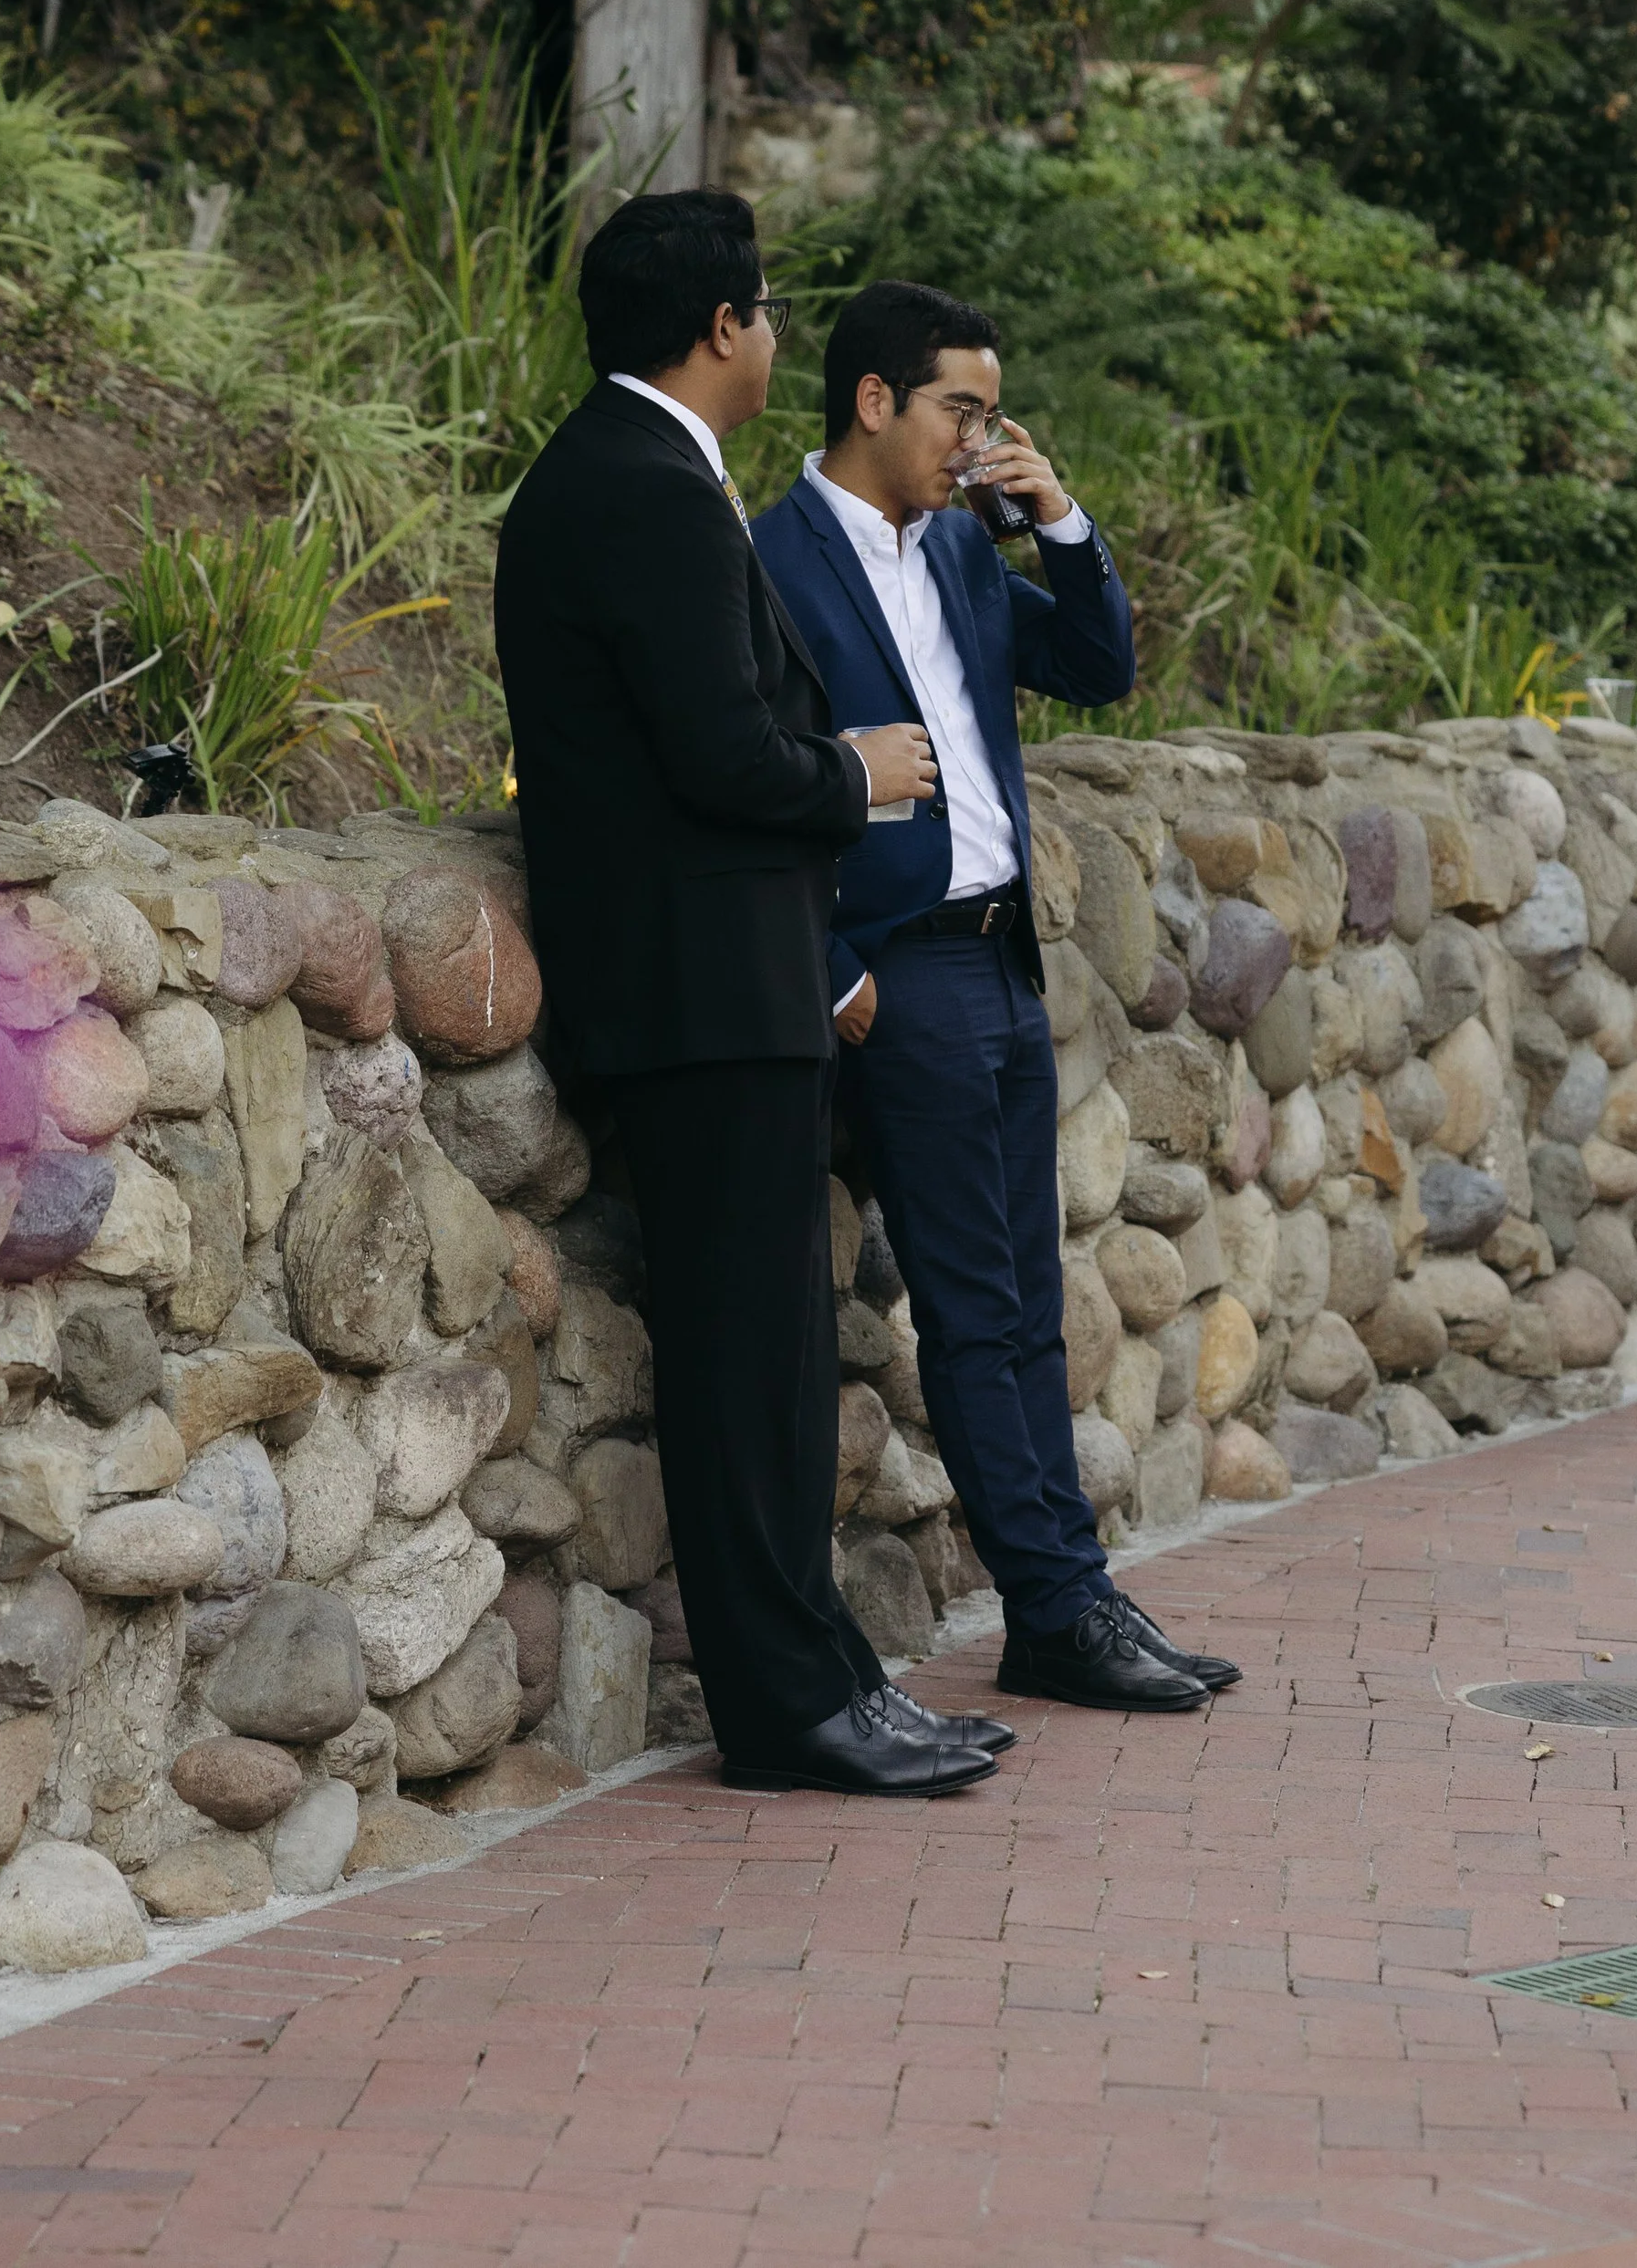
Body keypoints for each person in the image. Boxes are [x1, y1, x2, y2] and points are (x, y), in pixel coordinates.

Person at [494, 192, 1007, 1797]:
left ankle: (832, 1675)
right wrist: (845, 772)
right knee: (746, 1364)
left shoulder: (642, 471)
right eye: (768, 309)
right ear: (724, 329)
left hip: (730, 988)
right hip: (701, 994)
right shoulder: (637, 488)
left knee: (775, 1354)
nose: (777, 333)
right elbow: (713, 753)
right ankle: (792, 1711)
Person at [752, 278, 1240, 1711]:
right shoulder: (770, 562)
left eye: (990, 411)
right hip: (899, 978)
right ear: (874, 400)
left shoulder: (965, 553)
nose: (980, 436)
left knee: (1028, 1297)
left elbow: (1098, 664)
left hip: (1004, 958)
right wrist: (829, 966)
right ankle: (1054, 1604)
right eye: (962, 407)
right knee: (975, 1308)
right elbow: (736, 785)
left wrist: (1061, 521)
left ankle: (1067, 1599)